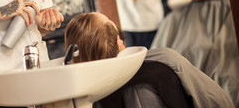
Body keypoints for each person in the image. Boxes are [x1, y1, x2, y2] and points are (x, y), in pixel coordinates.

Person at [64, 12, 234, 108]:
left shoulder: (84, 94)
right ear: (118, 41)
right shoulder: (164, 59)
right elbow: (216, 100)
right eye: (109, 21)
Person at [151, 0, 239, 106]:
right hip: (184, 72)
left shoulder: (230, 7)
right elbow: (158, 53)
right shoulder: (174, 17)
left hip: (223, 65)